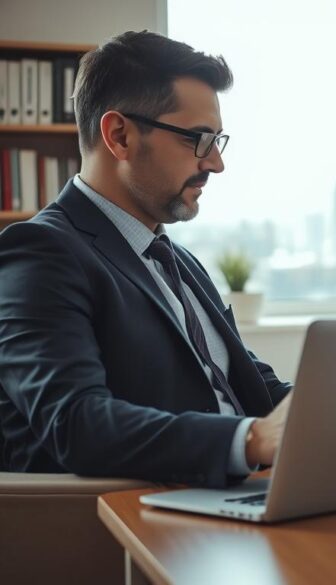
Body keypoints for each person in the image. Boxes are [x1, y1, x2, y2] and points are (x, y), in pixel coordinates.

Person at [0, 31, 291, 487]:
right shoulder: (39, 254)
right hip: (133, 525)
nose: (216, 163)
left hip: (235, 498)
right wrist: (250, 439)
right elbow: (77, 423)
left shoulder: (180, 261)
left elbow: (251, 385)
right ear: (119, 136)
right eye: (199, 140)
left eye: (218, 141)